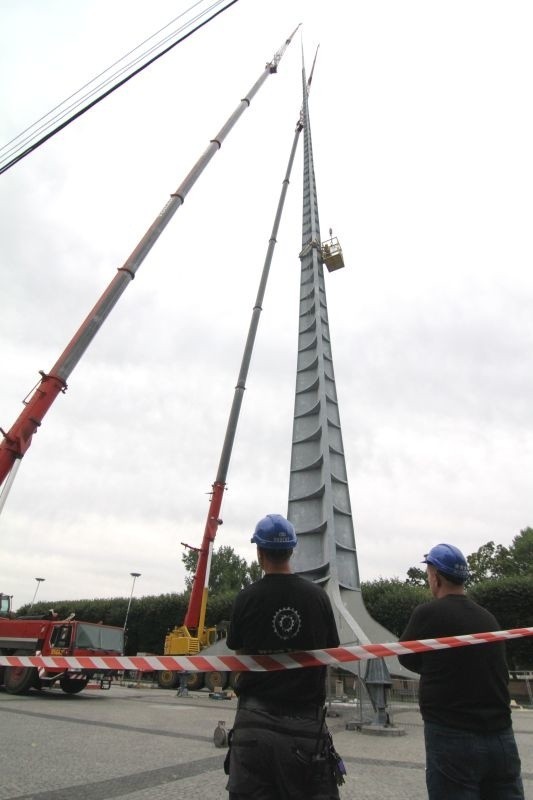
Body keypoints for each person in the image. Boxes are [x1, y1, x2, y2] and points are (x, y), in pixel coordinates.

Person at [225, 513, 344, 800]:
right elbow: (327, 654)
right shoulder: (317, 597)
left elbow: (240, 655)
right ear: (292, 549)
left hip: (255, 724)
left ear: (259, 552)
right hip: (306, 727)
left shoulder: (247, 598)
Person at [398, 543, 524, 800]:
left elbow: (406, 657)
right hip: (501, 737)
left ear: (436, 577)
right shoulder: (488, 619)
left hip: (452, 737)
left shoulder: (427, 614)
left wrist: (435, 669)